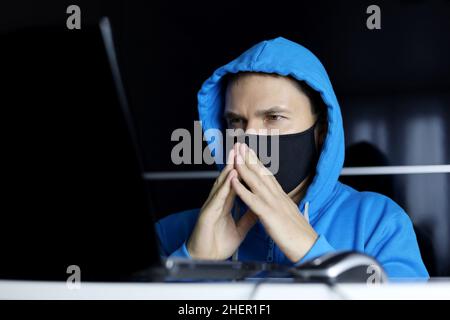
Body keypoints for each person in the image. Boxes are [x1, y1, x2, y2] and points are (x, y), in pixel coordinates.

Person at [155, 37, 429, 279]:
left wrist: (312, 250)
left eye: (273, 117)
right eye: (236, 121)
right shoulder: (172, 234)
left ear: (321, 131)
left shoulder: (379, 224)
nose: (249, 136)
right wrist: (189, 263)